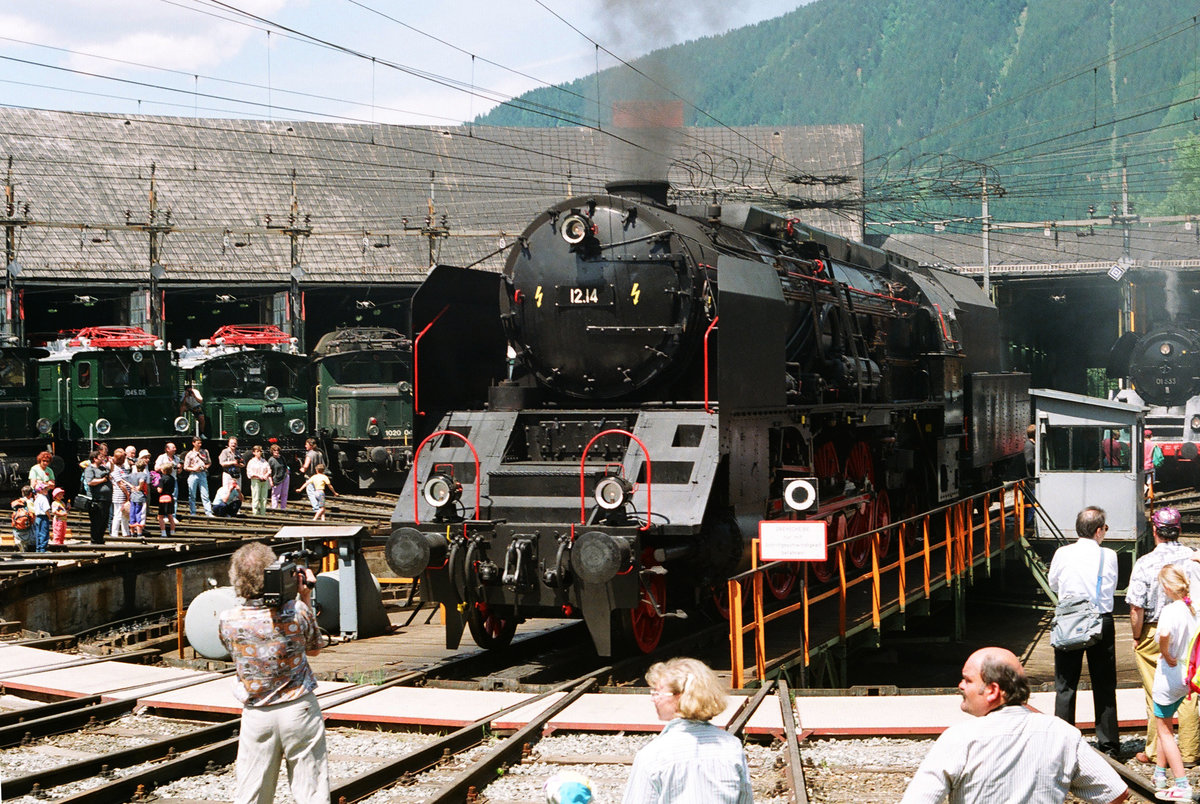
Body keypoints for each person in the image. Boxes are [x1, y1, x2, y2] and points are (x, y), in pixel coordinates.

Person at [900, 647, 1128, 803]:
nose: (960, 686)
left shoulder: (959, 739)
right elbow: (1114, 793)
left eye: (967, 680)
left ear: (992, 691)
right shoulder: (1063, 733)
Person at [218, 542, 328, 804]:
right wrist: (304, 596)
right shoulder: (297, 611)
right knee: (311, 790)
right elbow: (314, 649)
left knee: (252, 792)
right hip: (299, 708)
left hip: (257, 712)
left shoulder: (228, 619)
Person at [621, 657, 752, 804]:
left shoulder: (652, 755)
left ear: (681, 697)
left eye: (658, 693)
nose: (653, 699)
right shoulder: (731, 747)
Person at [1128, 506, 1200, 768]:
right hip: (1191, 628)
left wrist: (1137, 637)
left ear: (1155, 531)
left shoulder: (1145, 562)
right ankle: (1190, 752)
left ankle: (1157, 753)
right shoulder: (1193, 559)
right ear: (1179, 529)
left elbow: (1137, 607)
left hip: (1155, 631)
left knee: (1156, 691)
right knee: (1188, 688)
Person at [1047, 505, 1120, 757]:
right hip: (1100, 620)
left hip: (1069, 621)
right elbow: (1110, 588)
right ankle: (1109, 745)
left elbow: (1053, 583)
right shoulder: (1108, 555)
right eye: (1105, 529)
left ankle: (1063, 745)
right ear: (1099, 530)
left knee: (1065, 684)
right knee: (1104, 684)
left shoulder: (1062, 553)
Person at [1149, 565, 1200, 800]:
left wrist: (1166, 653)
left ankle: (1182, 784)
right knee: (1166, 723)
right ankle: (1160, 773)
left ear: (1167, 587)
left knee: (1165, 730)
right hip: (1186, 675)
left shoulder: (1170, 611)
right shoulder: (1192, 609)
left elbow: (1165, 634)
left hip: (1169, 675)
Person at [82, 450, 111, 545]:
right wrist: (103, 480)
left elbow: (111, 471)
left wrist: (110, 463)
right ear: (94, 459)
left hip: (106, 498)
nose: (102, 459)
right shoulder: (89, 469)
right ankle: (95, 540)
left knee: (104, 520)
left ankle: (100, 538)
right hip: (96, 499)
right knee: (97, 520)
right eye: (100, 457)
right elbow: (90, 482)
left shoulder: (103, 468)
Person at [183, 437, 213, 517]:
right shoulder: (189, 454)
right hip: (193, 474)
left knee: (205, 494)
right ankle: (193, 512)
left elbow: (209, 462)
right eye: (198, 443)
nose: (199, 445)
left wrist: (205, 467)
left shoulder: (205, 452)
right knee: (192, 494)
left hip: (202, 474)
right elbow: (185, 467)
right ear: (193, 443)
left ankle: (208, 512)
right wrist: (193, 469)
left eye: (200, 443)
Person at [155, 442, 182, 527]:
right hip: (164, 480)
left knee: (174, 498)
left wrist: (179, 468)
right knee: (164, 498)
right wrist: (168, 466)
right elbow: (156, 468)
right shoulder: (161, 457)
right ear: (167, 449)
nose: (175, 449)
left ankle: (172, 516)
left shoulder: (177, 458)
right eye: (173, 448)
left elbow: (179, 471)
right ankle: (165, 515)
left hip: (173, 480)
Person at [127, 450, 151, 539]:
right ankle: (139, 533)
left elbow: (122, 478)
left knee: (132, 514)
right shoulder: (142, 474)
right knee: (140, 514)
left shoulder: (132, 474)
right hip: (140, 496)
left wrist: (131, 486)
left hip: (133, 496)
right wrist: (139, 487)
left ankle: (132, 533)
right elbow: (141, 481)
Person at [298, 438, 324, 515]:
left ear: (311, 445)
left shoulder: (309, 454)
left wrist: (302, 469)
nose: (305, 446)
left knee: (311, 492)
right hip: (319, 476)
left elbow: (306, 465)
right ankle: (321, 507)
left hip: (310, 477)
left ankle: (316, 508)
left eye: (306, 444)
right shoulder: (319, 453)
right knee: (319, 492)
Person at [110, 447, 131, 539]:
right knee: (118, 514)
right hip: (119, 494)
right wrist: (128, 494)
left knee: (125, 514)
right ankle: (114, 533)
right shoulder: (115, 469)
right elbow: (120, 483)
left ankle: (125, 532)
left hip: (124, 494)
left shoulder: (122, 468)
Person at [246, 445, 271, 516]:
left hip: (264, 481)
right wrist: (258, 476)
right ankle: (255, 513)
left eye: (260, 451)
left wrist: (266, 475)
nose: (259, 453)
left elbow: (269, 470)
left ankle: (263, 513)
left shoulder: (264, 461)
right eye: (257, 451)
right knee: (256, 497)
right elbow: (249, 472)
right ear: (254, 452)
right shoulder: (251, 462)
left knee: (264, 498)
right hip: (256, 481)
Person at [10, 485, 34, 552]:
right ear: (31, 494)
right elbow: (33, 513)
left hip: (17, 526)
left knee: (17, 534)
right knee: (30, 533)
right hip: (26, 526)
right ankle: (25, 545)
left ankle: (19, 542)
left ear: (22, 493)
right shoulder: (29, 502)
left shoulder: (17, 502)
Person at [156, 463, 176, 538]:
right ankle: (172, 531)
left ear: (163, 470)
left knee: (160, 517)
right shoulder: (172, 478)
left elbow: (160, 490)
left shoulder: (162, 479)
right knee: (170, 515)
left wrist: (157, 487)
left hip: (163, 498)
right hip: (170, 497)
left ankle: (163, 533)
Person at [268, 443, 289, 510]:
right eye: (275, 451)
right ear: (272, 452)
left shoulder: (282, 458)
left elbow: (285, 467)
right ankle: (274, 508)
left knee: (284, 494)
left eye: (277, 450)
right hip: (276, 478)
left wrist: (287, 474)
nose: (276, 452)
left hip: (284, 477)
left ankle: (283, 507)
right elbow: (269, 471)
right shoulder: (271, 460)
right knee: (276, 494)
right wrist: (270, 480)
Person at [31, 482, 51, 552]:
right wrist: (49, 516)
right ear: (40, 490)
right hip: (43, 517)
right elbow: (46, 509)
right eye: (45, 489)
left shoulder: (37, 499)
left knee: (38, 533)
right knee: (44, 533)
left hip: (38, 517)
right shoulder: (44, 498)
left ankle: (38, 548)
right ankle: (43, 549)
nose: (47, 490)